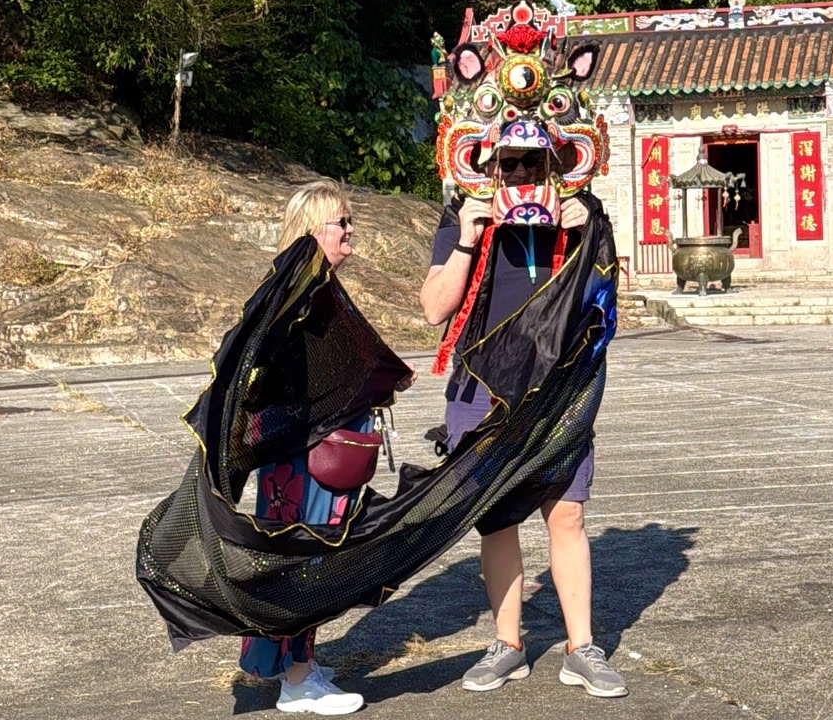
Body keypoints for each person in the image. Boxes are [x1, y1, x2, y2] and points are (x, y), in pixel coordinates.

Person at [420, 147, 628, 699]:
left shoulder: (584, 214)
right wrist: (467, 235)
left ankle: (580, 646)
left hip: (557, 390)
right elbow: (435, 309)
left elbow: (606, 308)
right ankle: (508, 644)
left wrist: (590, 236)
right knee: (495, 519)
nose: (519, 174)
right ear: (487, 168)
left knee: (567, 515)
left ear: (555, 165)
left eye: (532, 163)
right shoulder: (462, 216)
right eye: (507, 163)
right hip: (482, 390)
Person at [237, 179, 414, 715]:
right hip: (307, 456)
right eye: (341, 222)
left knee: (298, 556)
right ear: (314, 228)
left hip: (297, 455)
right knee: (309, 559)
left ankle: (296, 664)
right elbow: (332, 368)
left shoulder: (298, 285)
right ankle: (297, 683)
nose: (350, 231)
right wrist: (385, 378)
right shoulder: (308, 291)